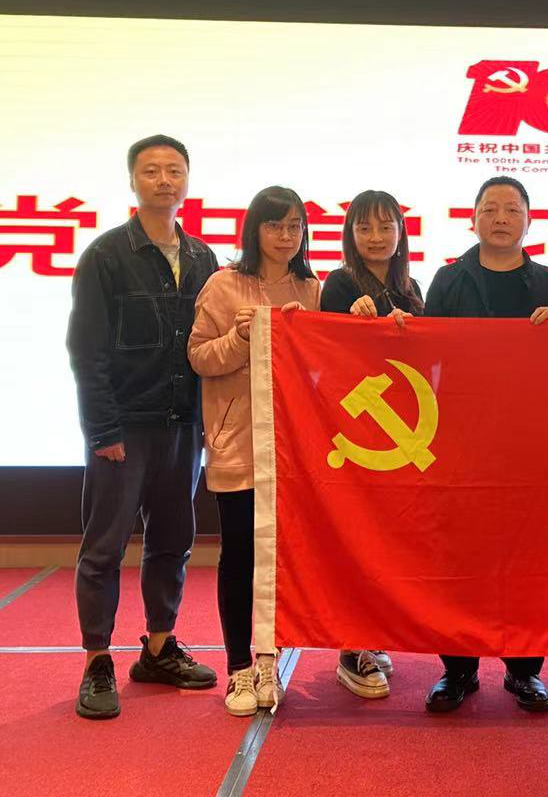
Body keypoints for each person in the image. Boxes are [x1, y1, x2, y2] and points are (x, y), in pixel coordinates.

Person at [66, 135, 220, 721]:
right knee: (104, 547)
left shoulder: (203, 257)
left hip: (183, 424)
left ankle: (158, 648)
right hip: (123, 427)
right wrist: (102, 429)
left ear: (187, 181)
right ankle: (97, 660)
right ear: (132, 181)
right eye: (151, 171)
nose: (163, 180)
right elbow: (87, 351)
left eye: (173, 170)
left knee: (173, 541)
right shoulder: (106, 255)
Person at [421, 175, 548, 714]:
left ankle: (524, 671)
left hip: (535, 440)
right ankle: (458, 669)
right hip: (463, 438)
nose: (501, 218)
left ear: (529, 220)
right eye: (490, 209)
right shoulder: (448, 281)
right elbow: (426, 354)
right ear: (473, 219)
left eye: (512, 209)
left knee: (530, 558)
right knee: (460, 557)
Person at [188, 187, 321, 717]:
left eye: (294, 226)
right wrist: (241, 339)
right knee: (240, 554)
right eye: (275, 225)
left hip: (295, 453)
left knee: (283, 561)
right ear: (254, 230)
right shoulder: (223, 285)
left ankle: (271, 658)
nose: (286, 236)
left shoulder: (312, 289)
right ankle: (239, 666)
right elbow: (199, 357)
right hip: (239, 444)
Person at [318, 190, 425, 699]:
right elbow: (326, 355)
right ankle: (350, 646)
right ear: (350, 235)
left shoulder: (412, 288)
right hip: (356, 433)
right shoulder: (339, 285)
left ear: (401, 232)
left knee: (389, 538)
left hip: (404, 430)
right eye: (364, 228)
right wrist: (350, 322)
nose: (376, 237)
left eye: (385, 227)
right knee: (354, 535)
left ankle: (374, 633)